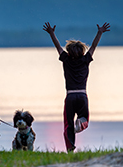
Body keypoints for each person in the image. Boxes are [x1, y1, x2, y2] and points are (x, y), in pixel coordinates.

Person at [43, 22, 110, 152]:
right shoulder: (86, 60)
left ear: (68, 52)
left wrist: (52, 33)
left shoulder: (66, 60)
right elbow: (94, 46)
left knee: (68, 124)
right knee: (84, 118)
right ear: (82, 51)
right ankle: (81, 122)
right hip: (82, 95)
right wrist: (99, 32)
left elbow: (58, 46)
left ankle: (70, 148)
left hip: (70, 96)